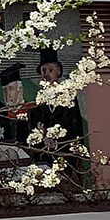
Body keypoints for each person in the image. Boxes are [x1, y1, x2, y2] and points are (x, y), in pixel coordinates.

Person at [28, 48, 86, 190]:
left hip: (66, 154)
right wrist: (43, 139)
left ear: (58, 72)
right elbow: (33, 127)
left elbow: (75, 126)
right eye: (43, 70)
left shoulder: (69, 97)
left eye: (50, 70)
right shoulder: (38, 101)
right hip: (45, 157)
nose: (46, 74)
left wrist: (59, 142)